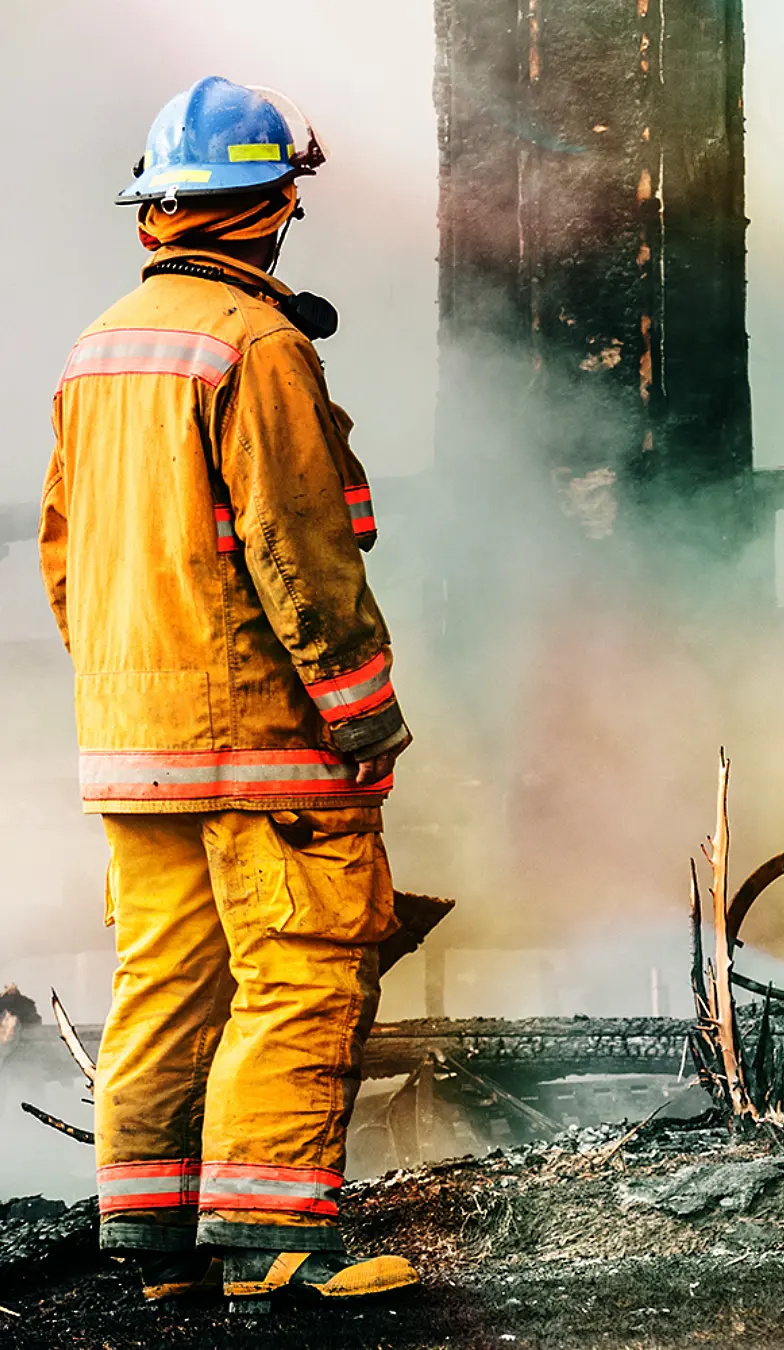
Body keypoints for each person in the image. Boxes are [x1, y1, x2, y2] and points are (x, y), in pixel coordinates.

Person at [38, 76, 418, 1302]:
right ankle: (276, 1243)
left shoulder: (99, 351)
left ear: (153, 214)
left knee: (164, 980)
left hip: (132, 741)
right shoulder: (257, 347)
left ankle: (152, 1248)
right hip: (258, 735)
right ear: (271, 209)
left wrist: (124, 692)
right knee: (304, 965)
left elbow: (63, 554)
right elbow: (299, 545)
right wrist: (362, 714)